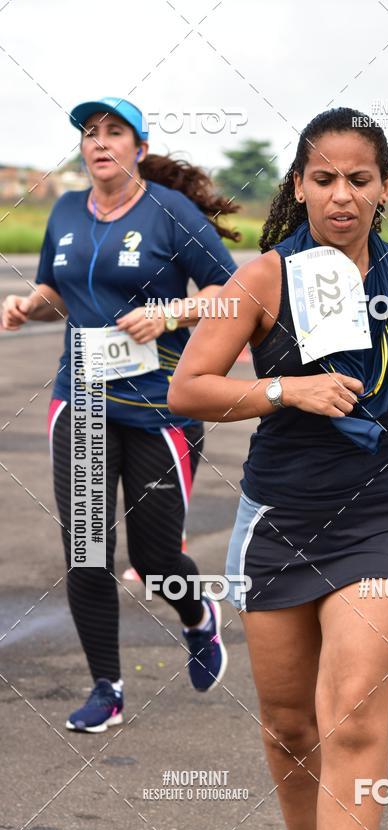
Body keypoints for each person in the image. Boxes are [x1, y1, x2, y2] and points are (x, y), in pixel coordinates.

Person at [168, 108, 388, 830]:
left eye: (358, 180)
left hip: (382, 514)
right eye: (325, 178)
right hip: (280, 521)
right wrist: (284, 388)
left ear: (384, 189)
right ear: (300, 186)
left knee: (354, 714)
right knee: (291, 726)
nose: (342, 194)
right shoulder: (264, 277)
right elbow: (189, 387)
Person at [1, 97, 237, 732]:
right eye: (90, 132)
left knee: (158, 558)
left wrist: (171, 313)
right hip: (79, 401)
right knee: (86, 548)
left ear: (138, 146)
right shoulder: (66, 211)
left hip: (161, 405)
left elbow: (227, 293)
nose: (100, 141)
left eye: (114, 131)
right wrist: (29, 305)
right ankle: (106, 686)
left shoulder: (170, 212)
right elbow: (58, 291)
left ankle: (197, 616)